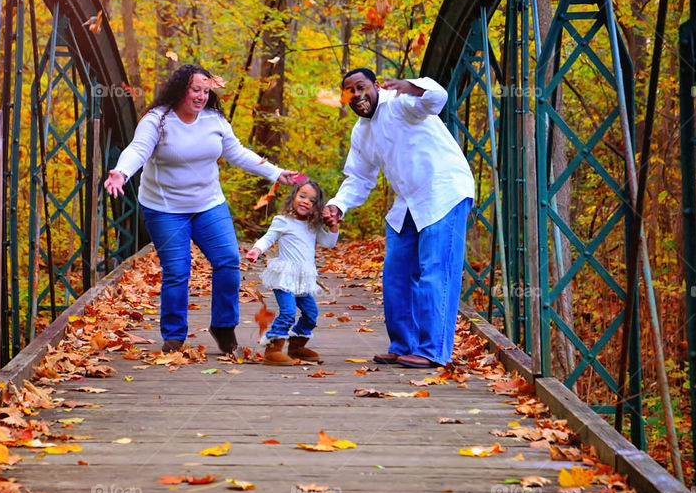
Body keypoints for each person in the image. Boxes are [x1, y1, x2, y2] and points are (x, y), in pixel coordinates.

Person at [104, 64, 299, 355]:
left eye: (206, 91)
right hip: (164, 208)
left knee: (228, 261)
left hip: (208, 205)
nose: (201, 96)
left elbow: (237, 153)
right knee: (177, 270)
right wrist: (121, 172)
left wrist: (275, 172)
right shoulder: (157, 120)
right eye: (196, 90)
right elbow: (138, 150)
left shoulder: (214, 121)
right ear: (181, 89)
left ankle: (223, 326)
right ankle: (174, 337)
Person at [322, 68, 474, 369]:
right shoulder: (361, 132)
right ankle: (404, 344)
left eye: (361, 86)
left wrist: (413, 87)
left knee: (435, 272)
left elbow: (437, 98)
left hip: (444, 192)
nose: (357, 95)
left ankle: (433, 351)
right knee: (395, 274)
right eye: (349, 91)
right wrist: (338, 205)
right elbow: (359, 178)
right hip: (408, 203)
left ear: (377, 86)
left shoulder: (400, 102)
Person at [245, 179, 338, 365]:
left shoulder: (313, 226)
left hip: (303, 279)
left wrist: (334, 225)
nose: (305, 201)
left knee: (311, 313)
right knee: (287, 311)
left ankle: (296, 347)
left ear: (317, 206)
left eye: (311, 200)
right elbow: (269, 237)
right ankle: (273, 350)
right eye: (302, 196)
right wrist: (257, 249)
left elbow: (329, 243)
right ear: (293, 197)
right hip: (285, 276)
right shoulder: (283, 221)